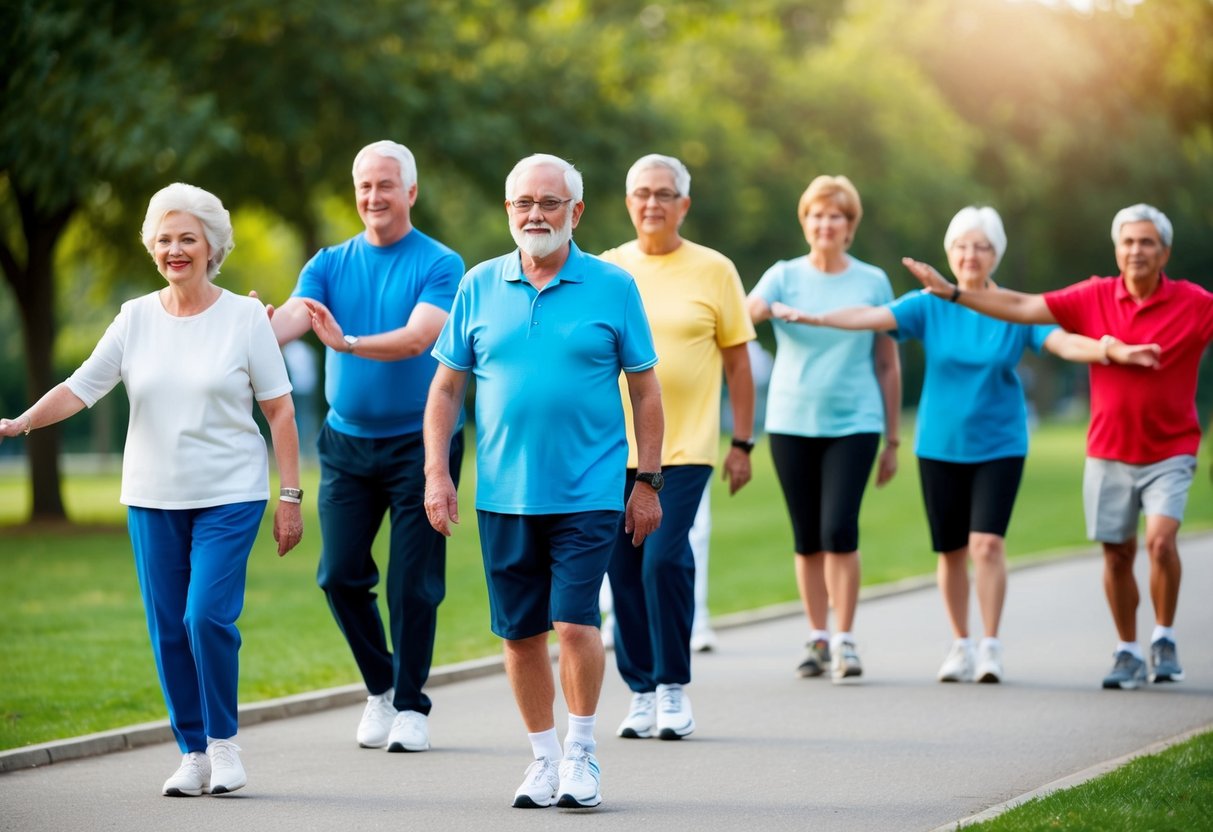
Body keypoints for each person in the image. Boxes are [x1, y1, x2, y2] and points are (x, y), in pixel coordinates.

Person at [0, 183, 302, 796]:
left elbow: (281, 412)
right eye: (164, 239)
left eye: (187, 238)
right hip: (152, 496)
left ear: (212, 246)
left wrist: (290, 498)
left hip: (229, 493)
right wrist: (20, 423)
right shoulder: (135, 317)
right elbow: (81, 386)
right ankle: (191, 752)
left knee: (205, 616)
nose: (174, 249)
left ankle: (224, 744)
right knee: (168, 626)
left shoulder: (245, 318)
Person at [776, 206, 1161, 683]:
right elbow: (872, 316)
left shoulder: (1012, 307)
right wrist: (817, 318)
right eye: (960, 246)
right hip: (939, 443)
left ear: (995, 254)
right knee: (952, 550)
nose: (969, 255)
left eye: (980, 247)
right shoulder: (928, 303)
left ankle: (991, 646)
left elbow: (1062, 342)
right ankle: (960, 643)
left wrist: (1106, 348)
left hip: (999, 442)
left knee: (986, 545)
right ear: (949, 253)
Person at [424, 154, 663, 809]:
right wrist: (436, 473)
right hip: (502, 495)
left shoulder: (612, 287)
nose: (535, 214)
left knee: (574, 622)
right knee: (520, 634)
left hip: (589, 490)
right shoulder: (476, 285)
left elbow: (645, 391)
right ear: (509, 211)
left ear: (575, 212)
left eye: (549, 203)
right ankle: (541, 759)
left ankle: (581, 754)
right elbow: (445, 388)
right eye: (523, 203)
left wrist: (647, 482)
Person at [904, 203, 1213, 690]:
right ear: (1117, 249)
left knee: (1160, 540)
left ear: (1165, 251)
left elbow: (1049, 334)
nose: (1136, 251)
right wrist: (957, 295)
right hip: (1109, 447)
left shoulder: (1196, 303)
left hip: (1171, 449)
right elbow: (1024, 307)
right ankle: (1128, 649)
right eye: (1128, 242)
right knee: (1116, 553)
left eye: (1147, 242)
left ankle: (1164, 634)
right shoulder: (1093, 295)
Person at [266, 140, 464, 752]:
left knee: (413, 583)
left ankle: (410, 706)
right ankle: (380, 685)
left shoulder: (440, 263)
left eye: (385, 186)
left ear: (410, 192)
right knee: (339, 577)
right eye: (363, 187)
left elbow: (417, 339)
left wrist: (347, 343)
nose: (373, 197)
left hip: (421, 446)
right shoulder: (328, 262)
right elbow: (293, 321)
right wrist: (251, 326)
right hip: (347, 446)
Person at [599, 154, 755, 740]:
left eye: (665, 194)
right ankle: (639, 690)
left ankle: (672, 688)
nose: (652, 204)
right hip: (613, 450)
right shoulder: (608, 269)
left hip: (684, 449)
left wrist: (742, 441)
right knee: (624, 568)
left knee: (664, 557)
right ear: (628, 201)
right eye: (642, 193)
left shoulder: (715, 270)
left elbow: (739, 364)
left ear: (684, 204)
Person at [747, 174, 901, 683]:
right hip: (791, 421)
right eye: (816, 214)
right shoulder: (783, 275)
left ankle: (846, 639)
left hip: (854, 421)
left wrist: (893, 438)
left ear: (849, 224)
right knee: (808, 536)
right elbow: (742, 317)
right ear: (805, 221)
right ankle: (816, 637)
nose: (825, 223)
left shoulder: (872, 281)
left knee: (840, 529)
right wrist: (763, 307)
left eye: (836, 215)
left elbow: (886, 362)